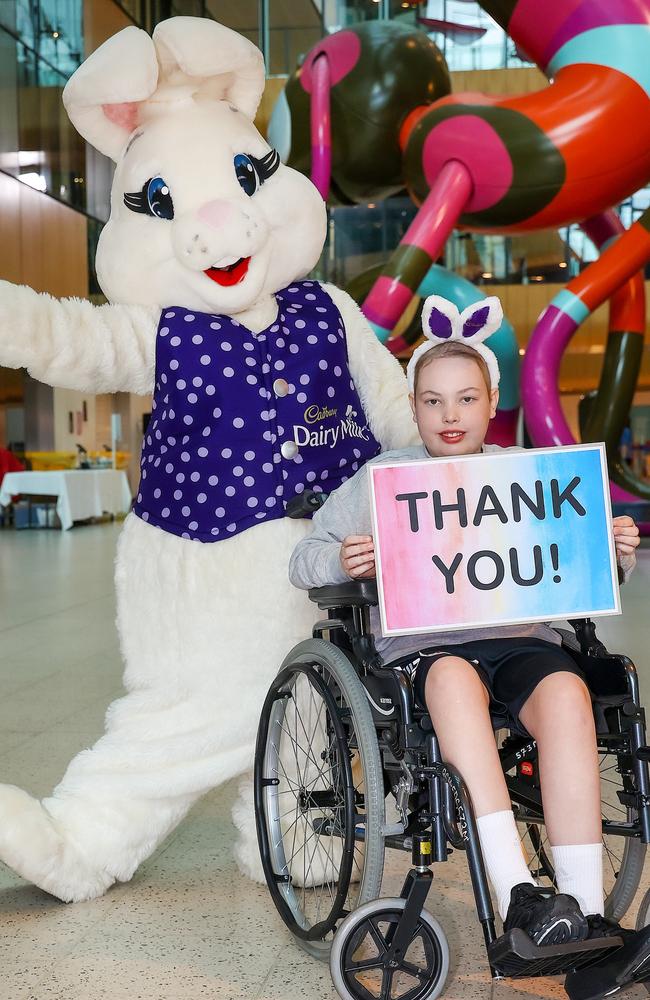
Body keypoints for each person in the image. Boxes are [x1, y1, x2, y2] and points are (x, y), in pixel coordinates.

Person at [289, 295, 650, 993]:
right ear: (415, 408)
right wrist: (346, 559)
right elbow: (305, 560)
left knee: (571, 694)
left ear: (491, 405)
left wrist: (615, 548)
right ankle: (520, 894)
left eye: (464, 400)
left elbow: (576, 562)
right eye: (432, 401)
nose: (449, 416)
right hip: (427, 651)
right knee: (453, 679)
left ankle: (584, 918)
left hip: (519, 638)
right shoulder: (381, 480)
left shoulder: (527, 474)